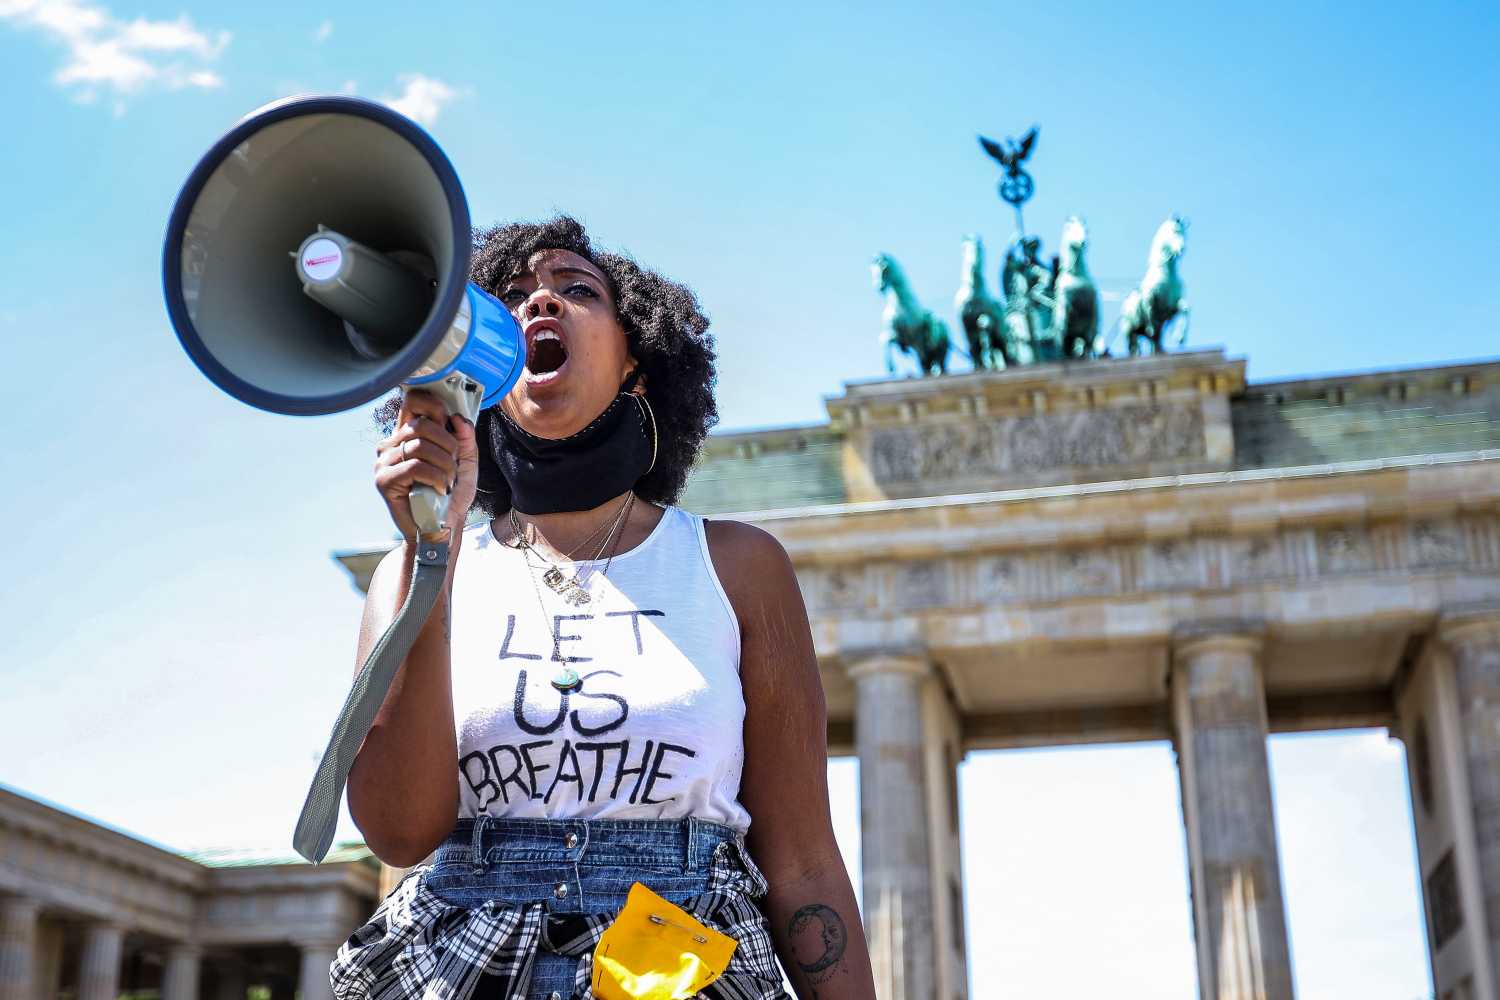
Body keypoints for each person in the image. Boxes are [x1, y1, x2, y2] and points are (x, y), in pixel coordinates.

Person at [331, 216, 876, 1000]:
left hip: (685, 963)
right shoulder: (412, 568)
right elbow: (400, 831)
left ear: (638, 368)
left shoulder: (737, 566)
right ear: (476, 369)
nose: (540, 304)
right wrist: (433, 552)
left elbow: (803, 859)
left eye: (576, 290)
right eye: (511, 298)